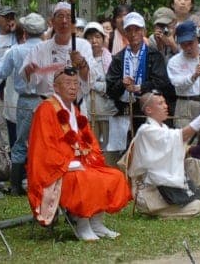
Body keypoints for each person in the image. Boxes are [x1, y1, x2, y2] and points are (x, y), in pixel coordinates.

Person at [25, 69, 130, 241]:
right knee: (84, 179)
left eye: (76, 83)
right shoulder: (46, 109)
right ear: (56, 88)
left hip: (80, 162)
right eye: (67, 83)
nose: (73, 87)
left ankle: (97, 223)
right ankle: (82, 225)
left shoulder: (75, 110)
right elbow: (43, 146)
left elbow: (89, 141)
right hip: (56, 169)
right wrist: (68, 163)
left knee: (114, 175)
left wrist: (90, 157)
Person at [121, 92, 200, 218]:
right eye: (160, 103)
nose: (166, 106)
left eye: (165, 102)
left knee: (193, 161)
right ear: (148, 109)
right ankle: (159, 210)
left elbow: (183, 149)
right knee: (196, 207)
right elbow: (181, 136)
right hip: (150, 192)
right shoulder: (146, 131)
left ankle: (183, 200)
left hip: (163, 186)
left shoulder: (163, 128)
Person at [103, 12, 173, 157]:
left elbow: (162, 82)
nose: (134, 34)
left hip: (147, 110)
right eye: (130, 30)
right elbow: (110, 88)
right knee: (125, 153)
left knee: (151, 151)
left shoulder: (154, 56)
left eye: (137, 30)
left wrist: (141, 87)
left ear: (144, 31)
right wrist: (123, 84)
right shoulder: (118, 58)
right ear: (125, 33)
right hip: (124, 111)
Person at [166, 20, 200, 196]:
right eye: (183, 44)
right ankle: (188, 188)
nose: (187, 47)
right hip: (186, 102)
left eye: (190, 42)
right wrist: (193, 76)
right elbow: (177, 85)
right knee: (183, 143)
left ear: (197, 39)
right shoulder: (175, 61)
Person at [0, 13, 44, 195]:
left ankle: (15, 185)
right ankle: (39, 182)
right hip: (45, 100)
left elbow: (0, 73)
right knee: (43, 141)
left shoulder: (16, 51)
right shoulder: (48, 50)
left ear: (24, 31)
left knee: (21, 141)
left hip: (24, 100)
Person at [82, 23, 114, 146]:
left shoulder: (111, 60)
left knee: (107, 148)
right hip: (88, 112)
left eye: (97, 37)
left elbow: (110, 85)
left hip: (106, 111)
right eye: (89, 38)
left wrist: (92, 84)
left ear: (103, 39)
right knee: (90, 146)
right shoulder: (82, 60)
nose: (93, 41)